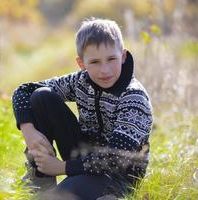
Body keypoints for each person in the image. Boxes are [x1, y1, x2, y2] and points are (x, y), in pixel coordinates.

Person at [12, 17, 153, 200]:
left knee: (56, 198)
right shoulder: (81, 81)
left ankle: (111, 196)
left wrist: (61, 167)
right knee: (41, 95)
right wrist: (28, 131)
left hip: (118, 176)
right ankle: (40, 179)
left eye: (111, 59)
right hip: (82, 157)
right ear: (82, 63)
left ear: (123, 56)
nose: (105, 70)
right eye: (95, 62)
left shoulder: (133, 98)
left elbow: (116, 158)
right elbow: (24, 90)